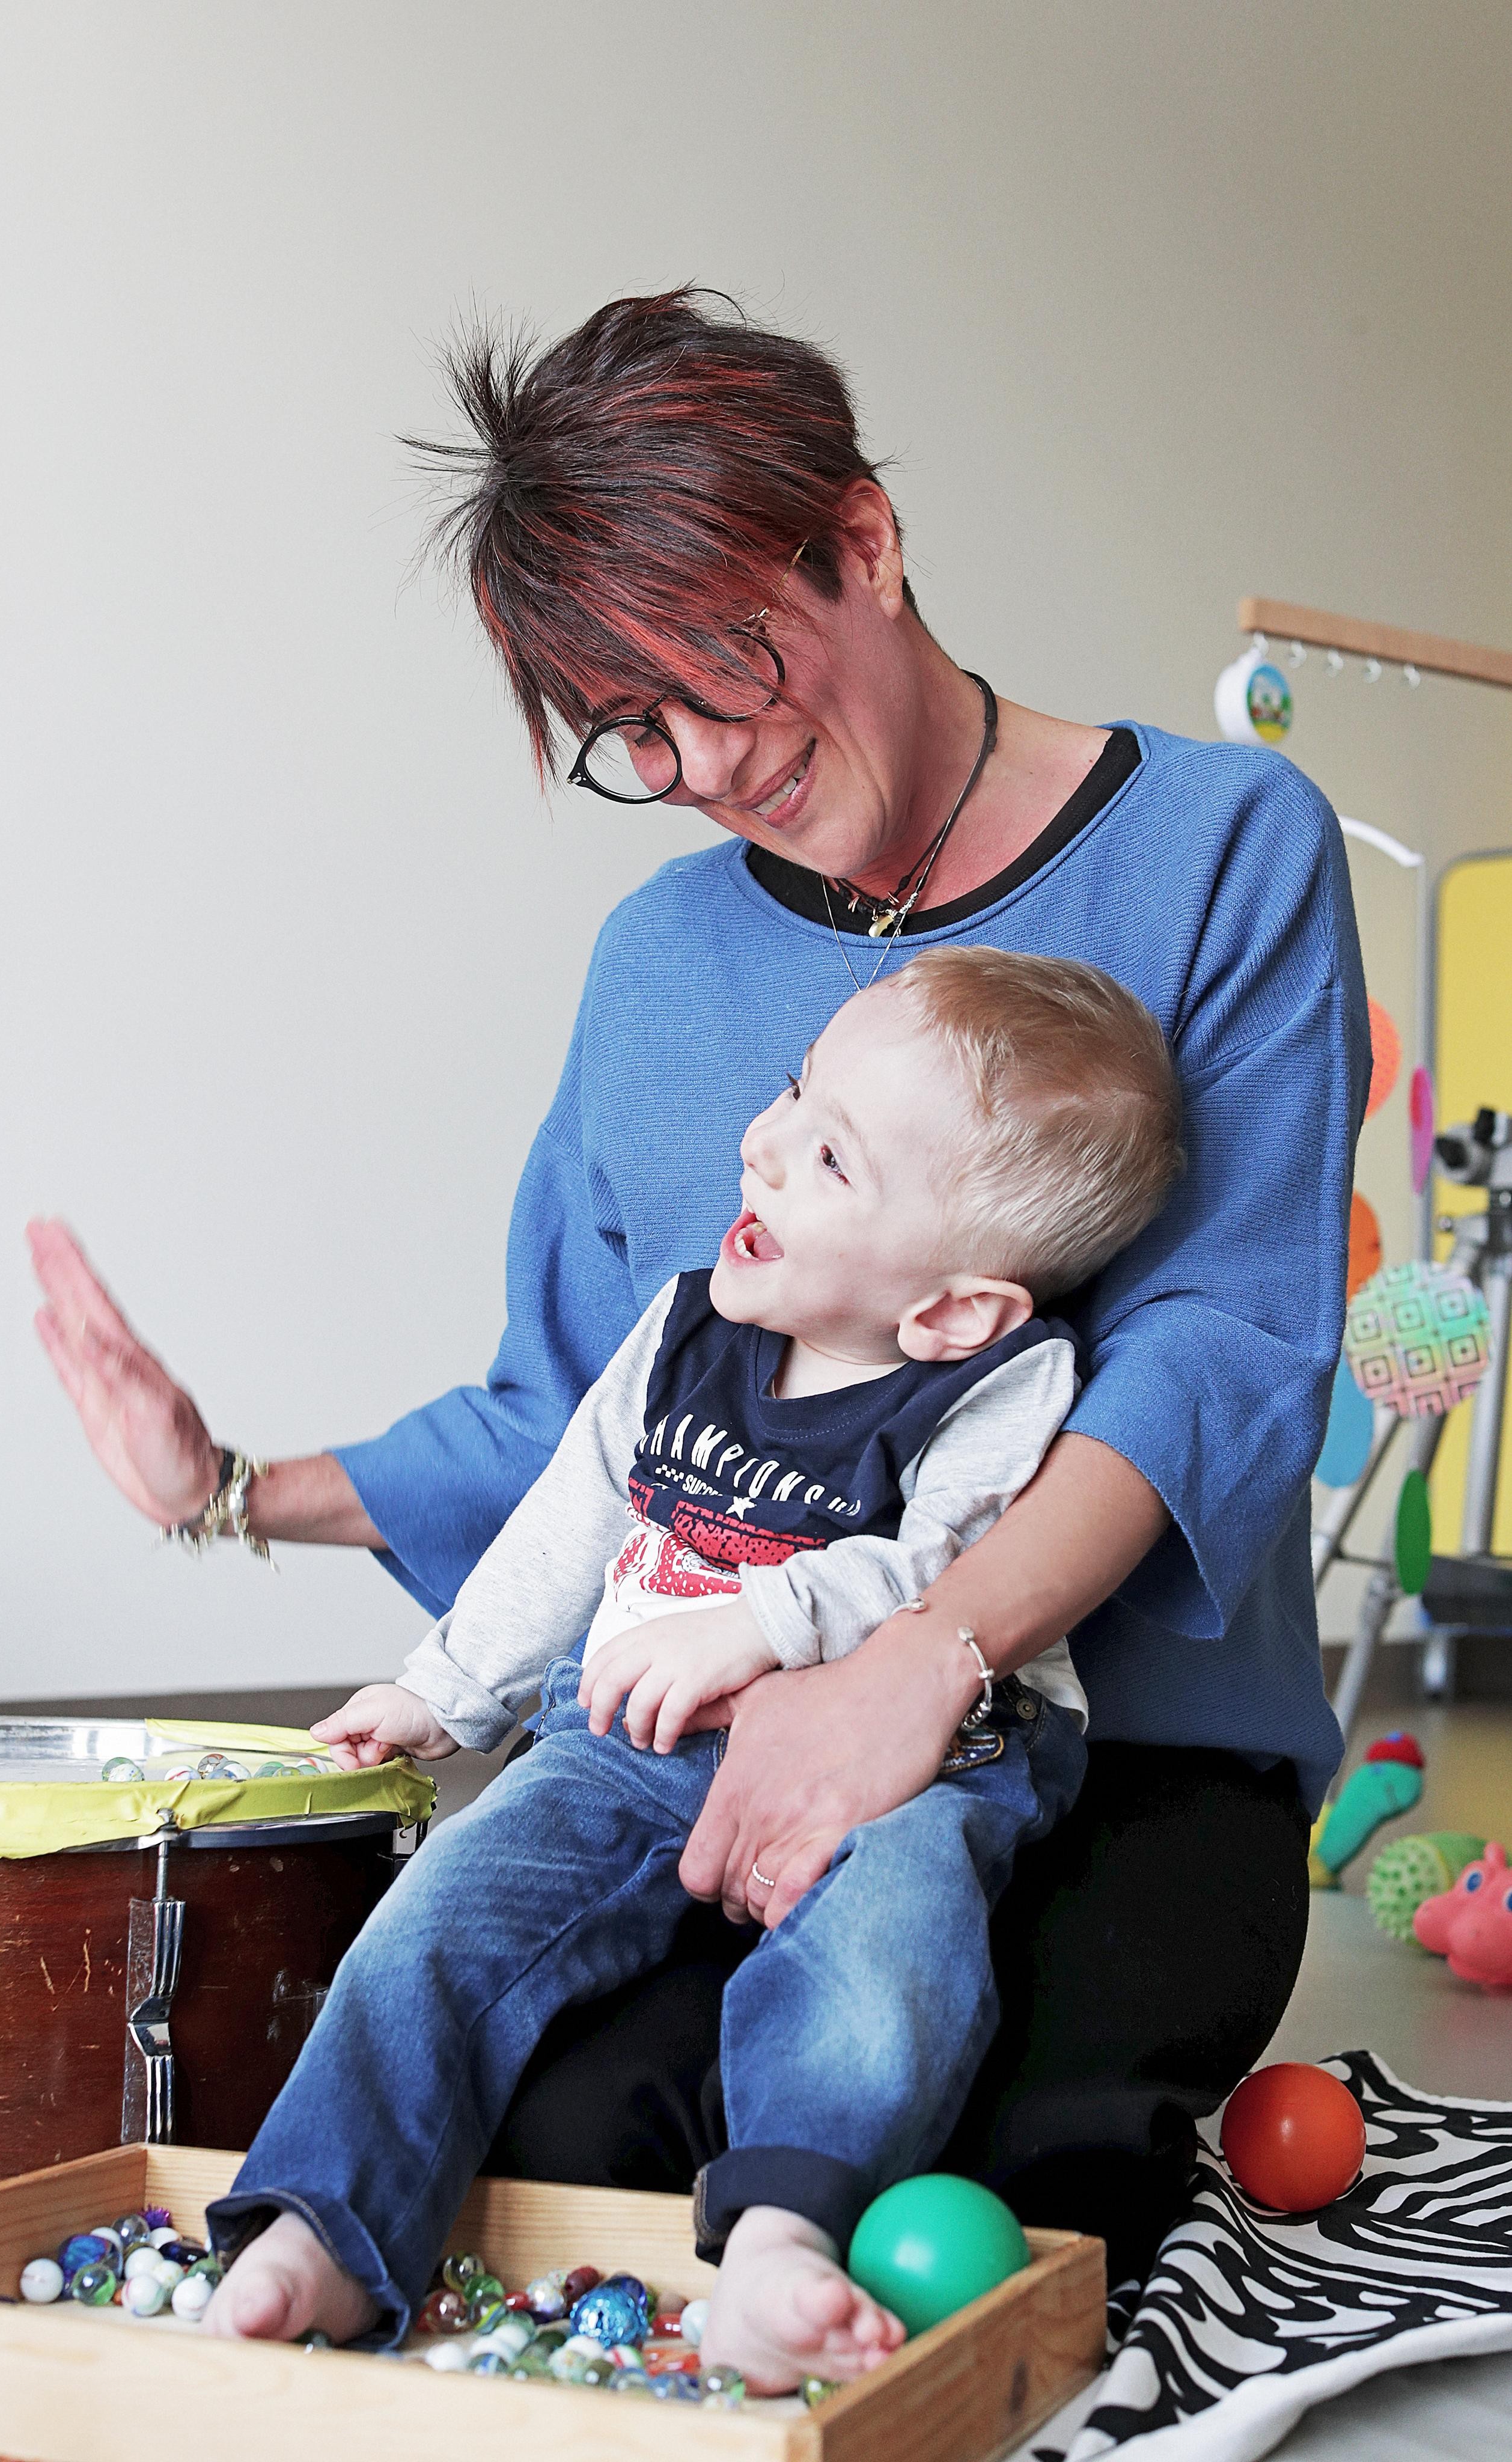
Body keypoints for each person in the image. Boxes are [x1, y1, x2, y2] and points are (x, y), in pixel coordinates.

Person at [28, 286, 1367, 2285]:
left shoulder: (1221, 846)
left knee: (1023, 2190)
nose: (698, 765)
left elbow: (1216, 1349)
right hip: (699, 1749)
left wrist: (913, 1666)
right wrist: (223, 1487)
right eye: (627, 730)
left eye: (718, 674)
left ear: (864, 542)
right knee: (575, 2155)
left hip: (1110, 1750)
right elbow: (580, 1407)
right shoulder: (662, 965)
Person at [201, 947, 1182, 2381]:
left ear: (951, 1309)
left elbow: (941, 1570)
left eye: (830, 1155)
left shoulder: (999, 1377)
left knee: (889, 1948)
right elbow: (568, 1518)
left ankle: (784, 2234)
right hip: (630, 1743)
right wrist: (445, 1689)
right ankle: (328, 2223)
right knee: (439, 1914)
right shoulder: (683, 1327)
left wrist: (761, 1620)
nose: (762, 1142)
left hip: (914, 1762)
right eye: (793, 1093)